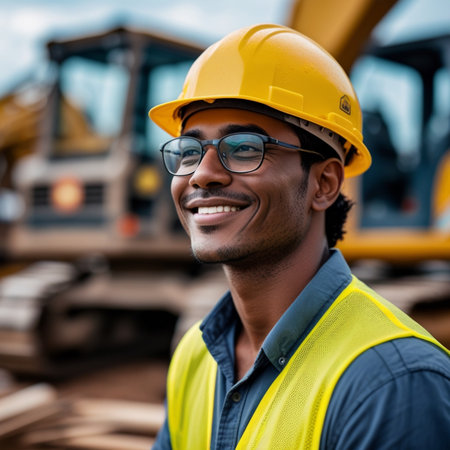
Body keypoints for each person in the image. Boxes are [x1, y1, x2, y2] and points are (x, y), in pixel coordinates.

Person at [149, 24, 450, 449]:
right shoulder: (193, 356)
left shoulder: (393, 385)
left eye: (245, 148)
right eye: (188, 151)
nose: (202, 174)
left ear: (325, 184)